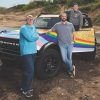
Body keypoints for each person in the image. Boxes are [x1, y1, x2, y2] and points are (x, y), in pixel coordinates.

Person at [51, 12, 75, 78]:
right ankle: (71, 68)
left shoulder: (70, 24)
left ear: (66, 17)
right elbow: (52, 30)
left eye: (65, 16)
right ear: (60, 17)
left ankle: (69, 71)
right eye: (62, 16)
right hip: (62, 44)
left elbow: (73, 33)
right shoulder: (57, 25)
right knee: (64, 59)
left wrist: (74, 41)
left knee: (69, 58)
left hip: (70, 44)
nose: (64, 17)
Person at [19, 15, 39, 98]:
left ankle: (23, 87)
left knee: (27, 70)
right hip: (26, 51)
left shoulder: (34, 27)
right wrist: (35, 36)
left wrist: (35, 36)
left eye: (32, 19)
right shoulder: (23, 28)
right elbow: (31, 38)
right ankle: (26, 89)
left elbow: (35, 35)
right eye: (29, 19)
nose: (30, 20)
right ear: (26, 20)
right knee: (30, 71)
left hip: (33, 51)